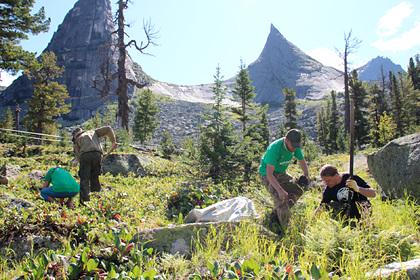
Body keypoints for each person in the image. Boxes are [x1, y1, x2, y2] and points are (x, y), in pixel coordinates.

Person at [259, 129, 310, 228]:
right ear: (286, 140)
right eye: (293, 146)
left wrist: (307, 175)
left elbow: (301, 160)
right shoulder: (275, 149)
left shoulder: (295, 146)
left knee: (298, 190)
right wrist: (280, 190)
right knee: (282, 199)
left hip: (281, 173)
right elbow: (269, 174)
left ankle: (275, 215)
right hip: (267, 175)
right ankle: (285, 231)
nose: (294, 149)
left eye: (296, 146)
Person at [72, 126, 117, 205]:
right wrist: (113, 142)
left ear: (75, 135)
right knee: (95, 178)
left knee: (84, 179)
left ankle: (84, 202)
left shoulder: (77, 140)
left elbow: (78, 155)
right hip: (98, 154)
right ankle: (97, 201)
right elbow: (108, 129)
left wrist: (77, 162)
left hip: (85, 155)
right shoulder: (93, 132)